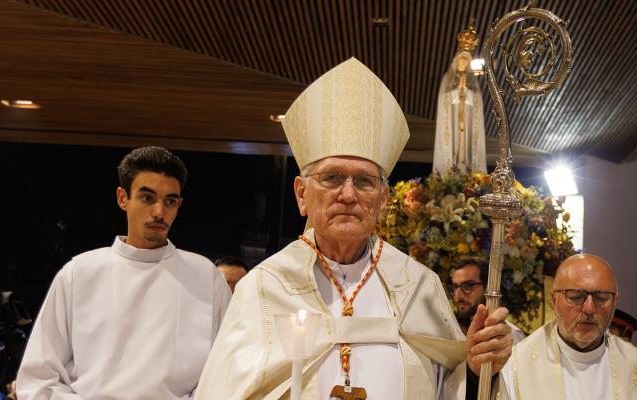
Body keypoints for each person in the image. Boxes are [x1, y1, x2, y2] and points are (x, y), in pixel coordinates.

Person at [195, 58, 512, 400]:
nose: (347, 195)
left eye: (364, 181)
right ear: (302, 194)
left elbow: (451, 386)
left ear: (383, 199)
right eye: (332, 178)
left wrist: (478, 368)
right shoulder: (264, 286)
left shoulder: (417, 284)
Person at [16, 146, 232, 399]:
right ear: (122, 197)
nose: (159, 212)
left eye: (170, 201)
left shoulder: (205, 276)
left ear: (179, 205)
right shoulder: (79, 273)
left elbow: (225, 372)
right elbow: (38, 379)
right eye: (147, 198)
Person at [498, 253, 637, 399]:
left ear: (615, 302)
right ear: (553, 300)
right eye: (575, 296)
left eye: (601, 298)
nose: (589, 309)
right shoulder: (517, 366)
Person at [450, 258, 525, 341]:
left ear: (487, 288)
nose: (457, 295)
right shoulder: (447, 331)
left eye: (468, 286)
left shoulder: (510, 337)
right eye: (455, 287)